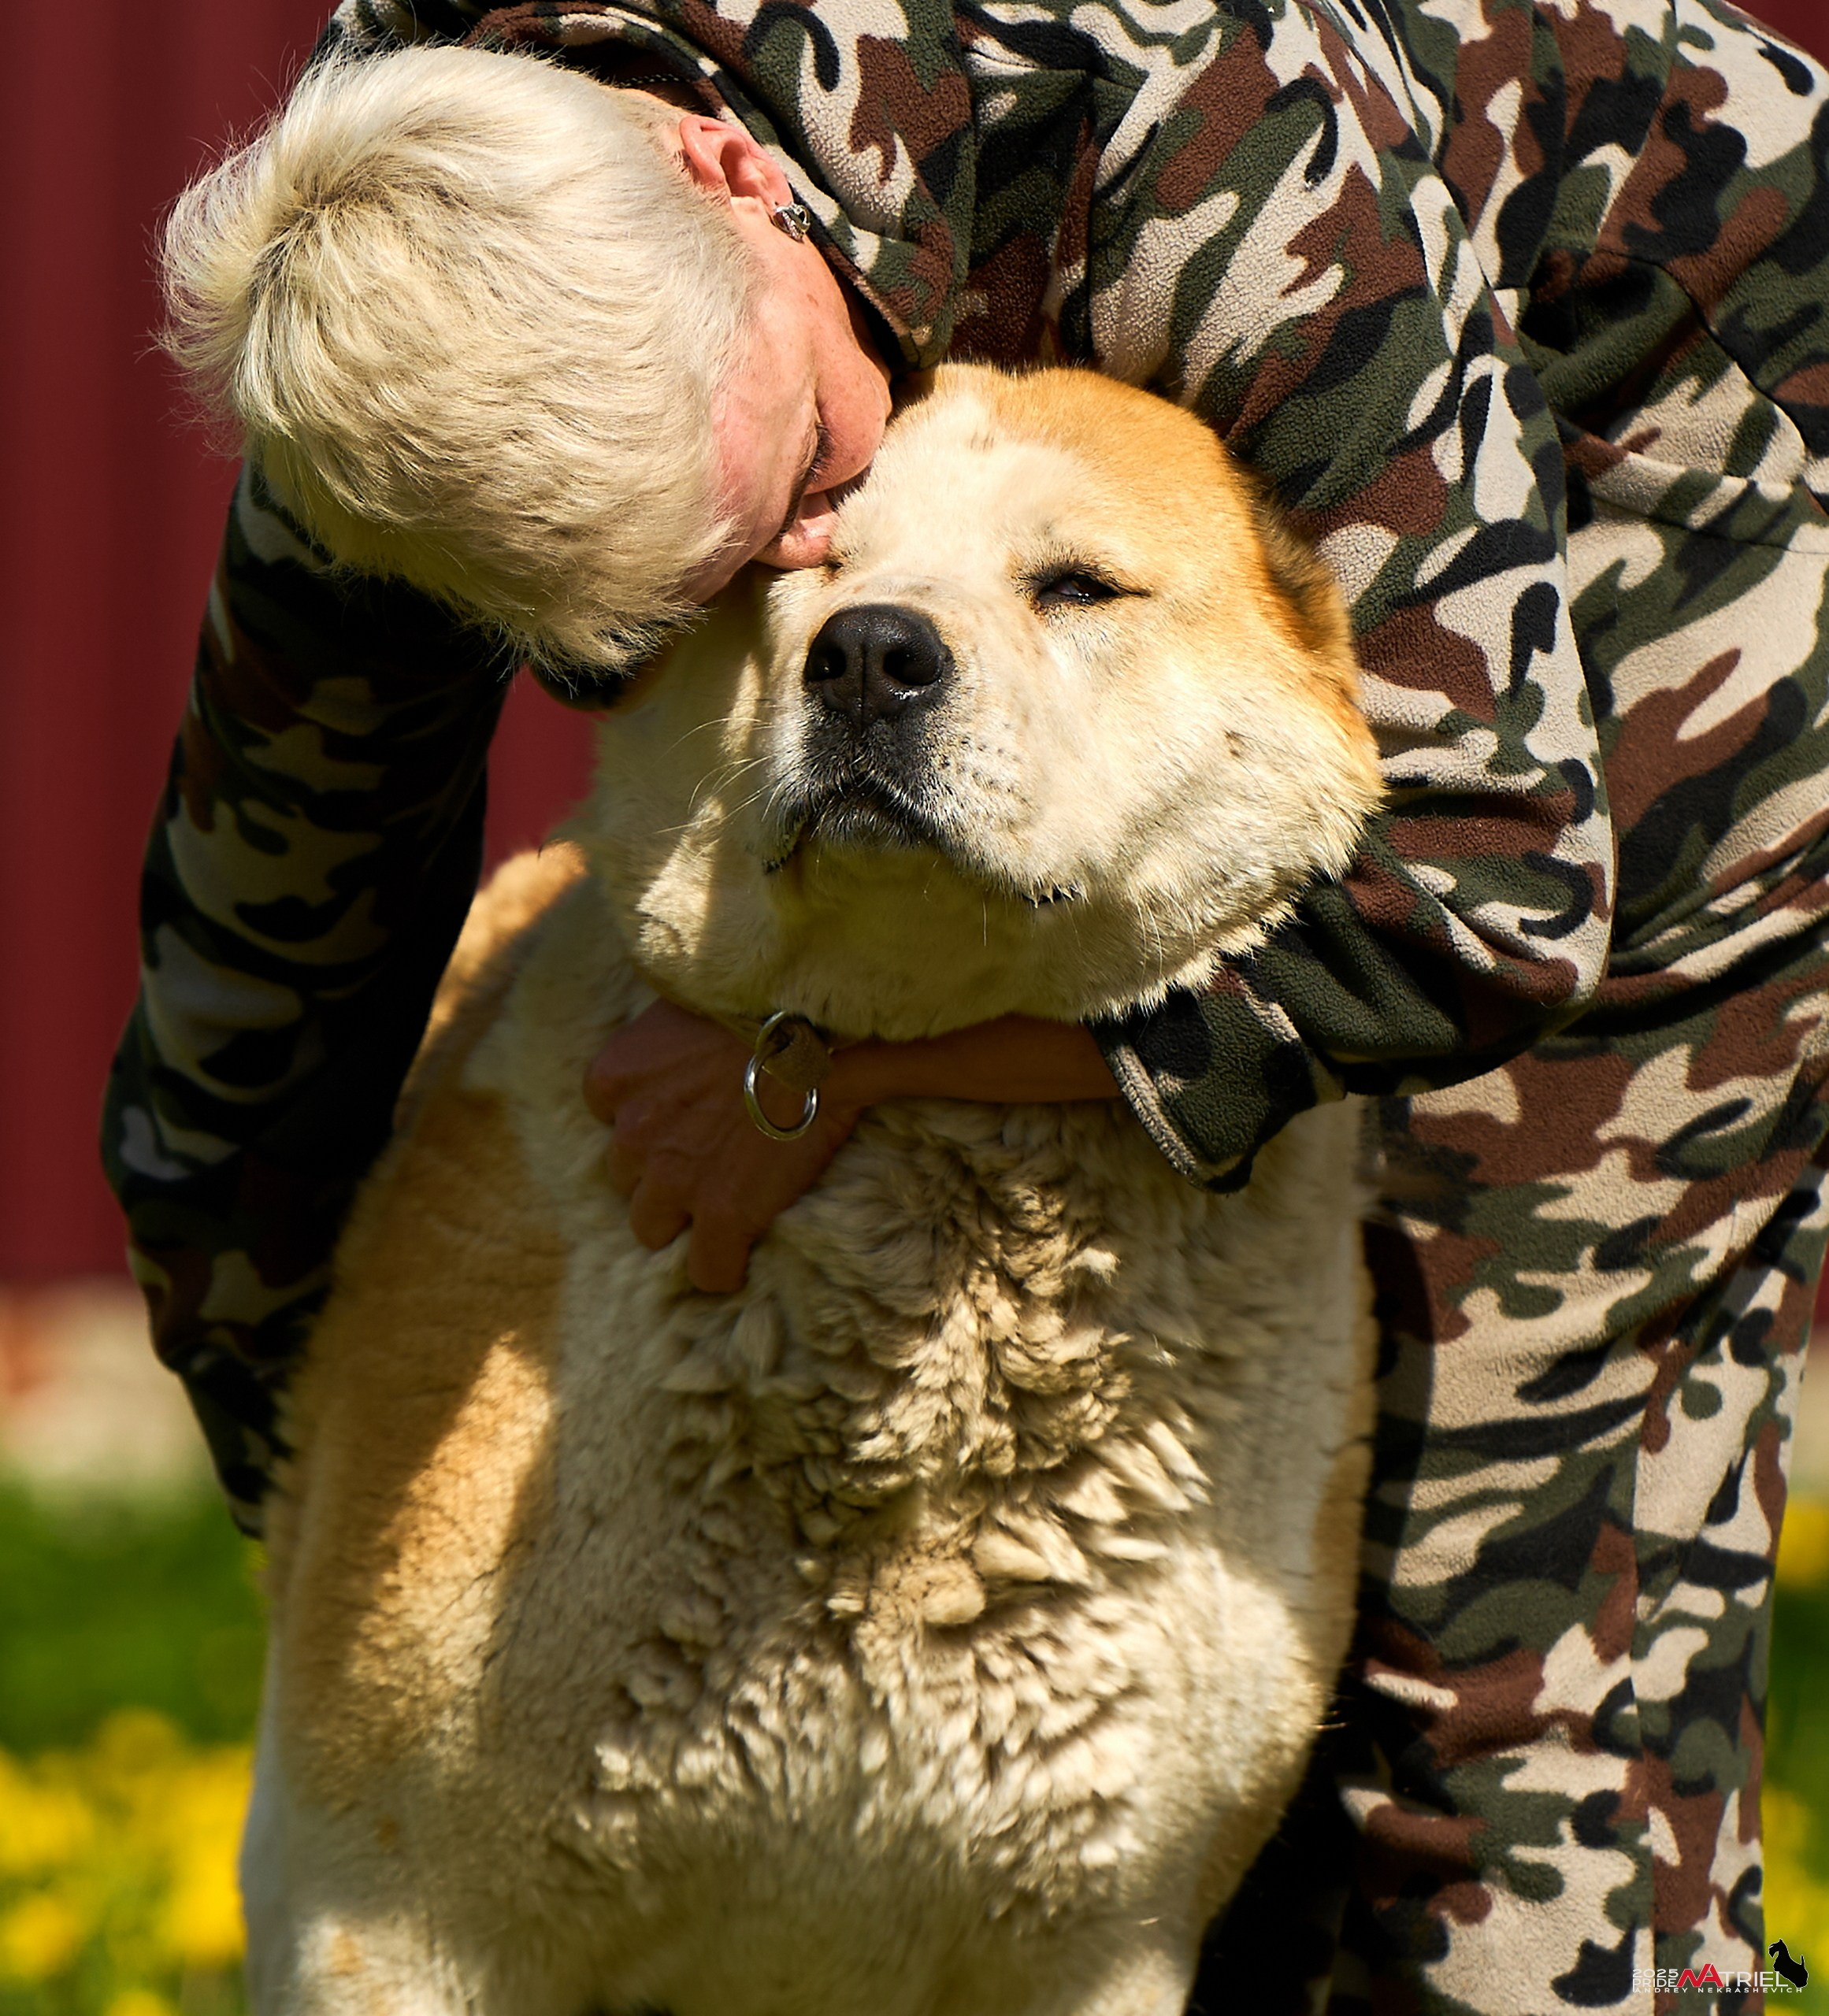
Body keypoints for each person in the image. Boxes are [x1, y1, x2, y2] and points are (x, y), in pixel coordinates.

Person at [104, 0, 1829, 2007]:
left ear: (731, 175)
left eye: (801, 479)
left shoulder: (1211, 137)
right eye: (711, 605)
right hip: (979, 294)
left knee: (1490, 1651)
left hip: (1665, 397)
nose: (825, 581)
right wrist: (324, 1484)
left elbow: (1502, 892)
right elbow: (255, 980)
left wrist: (833, 1070)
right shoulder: (396, 303)